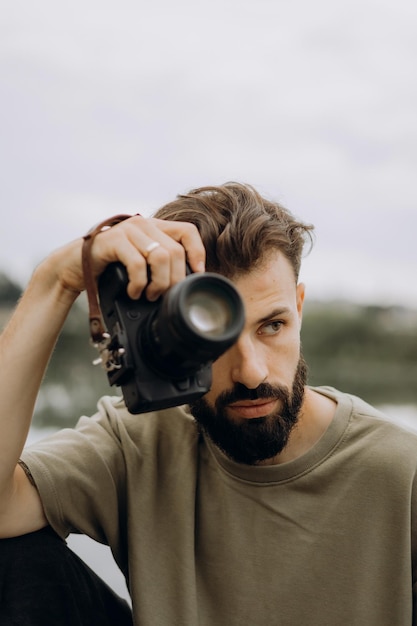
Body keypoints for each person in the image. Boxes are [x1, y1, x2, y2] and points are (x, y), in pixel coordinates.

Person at [0, 182, 416, 626]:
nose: (252, 372)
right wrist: (57, 280)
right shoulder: (139, 443)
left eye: (272, 326)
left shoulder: (400, 473)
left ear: (299, 308)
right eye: (214, 337)